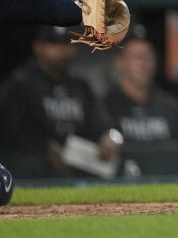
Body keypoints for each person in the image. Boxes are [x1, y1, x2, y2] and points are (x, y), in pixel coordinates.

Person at [0, 26, 118, 177]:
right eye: (54, 44)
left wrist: (107, 137)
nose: (62, 50)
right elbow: (11, 131)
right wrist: (44, 147)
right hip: (32, 171)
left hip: (80, 167)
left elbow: (102, 125)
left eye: (67, 44)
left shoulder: (80, 85)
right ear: (38, 47)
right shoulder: (21, 84)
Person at [103, 34, 178, 143]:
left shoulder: (170, 107)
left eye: (148, 57)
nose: (143, 64)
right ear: (120, 62)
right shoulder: (105, 105)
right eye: (137, 57)